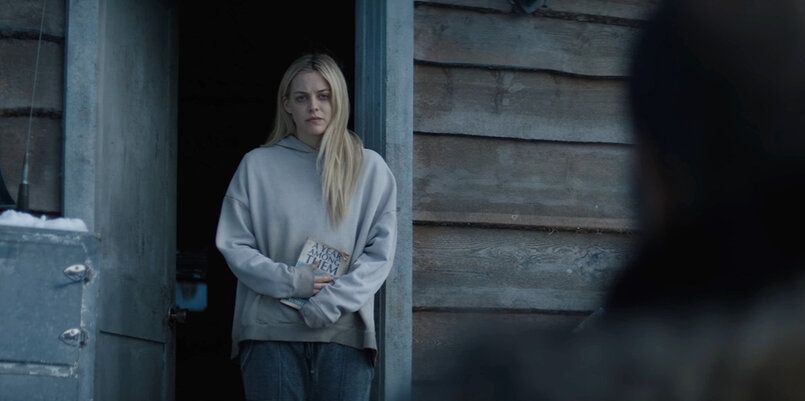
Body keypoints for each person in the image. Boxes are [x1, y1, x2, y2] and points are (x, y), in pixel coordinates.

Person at [215, 53, 397, 401]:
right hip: (270, 334)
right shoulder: (257, 166)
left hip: (344, 336)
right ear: (287, 105)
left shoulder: (370, 168)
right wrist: (292, 281)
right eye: (302, 97)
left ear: (338, 99)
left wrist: (331, 303)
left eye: (323, 96)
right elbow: (234, 246)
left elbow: (380, 255)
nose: (314, 106)